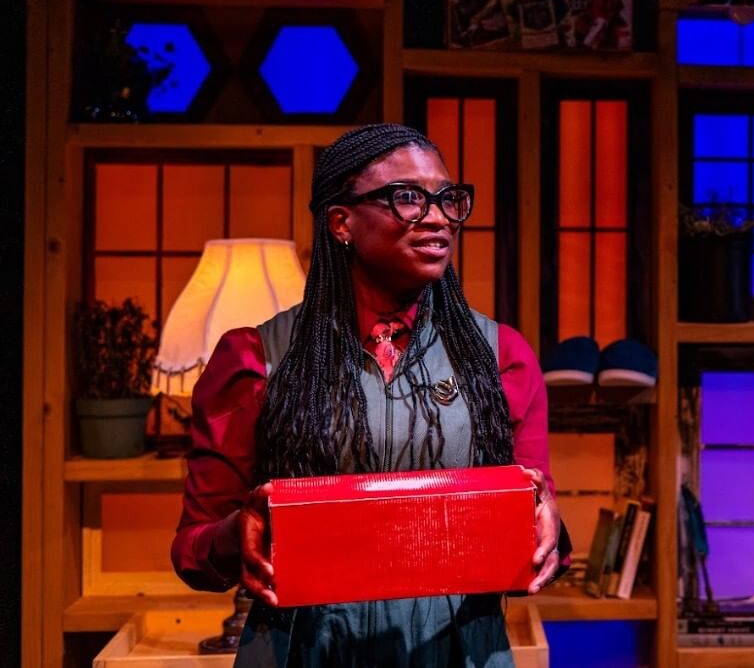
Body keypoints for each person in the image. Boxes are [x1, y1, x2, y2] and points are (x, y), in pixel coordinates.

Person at [171, 123, 568, 667]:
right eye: (408, 197)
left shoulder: (502, 356)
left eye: (447, 199)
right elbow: (193, 549)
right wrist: (237, 535)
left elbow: (534, 514)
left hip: (457, 652)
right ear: (342, 223)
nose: (436, 217)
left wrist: (547, 528)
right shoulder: (254, 359)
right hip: (305, 651)